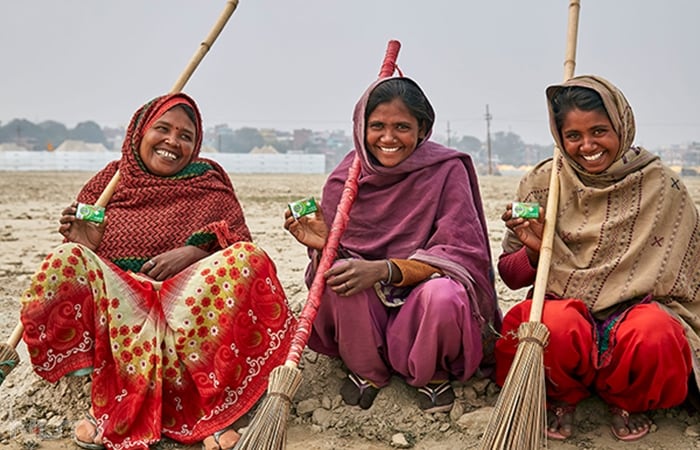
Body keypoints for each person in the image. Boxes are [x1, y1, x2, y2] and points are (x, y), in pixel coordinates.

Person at [19, 93, 297, 450]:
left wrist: (193, 252)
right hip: (123, 310)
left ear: (196, 146)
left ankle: (215, 412)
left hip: (193, 311)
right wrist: (86, 245)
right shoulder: (109, 184)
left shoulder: (208, 184)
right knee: (67, 258)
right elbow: (89, 274)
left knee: (248, 257)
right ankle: (109, 406)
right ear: (138, 133)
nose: (172, 142)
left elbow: (235, 244)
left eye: (186, 136)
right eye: (162, 129)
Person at [495, 74, 700, 442]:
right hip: (567, 322)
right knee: (546, 326)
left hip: (636, 315)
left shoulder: (662, 185)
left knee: (656, 335)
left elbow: (687, 282)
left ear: (622, 125)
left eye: (599, 132)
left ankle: (627, 398)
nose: (587, 145)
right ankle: (562, 397)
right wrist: (534, 247)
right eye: (573, 136)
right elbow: (510, 276)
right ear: (560, 137)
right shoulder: (546, 181)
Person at [284, 76, 500, 413]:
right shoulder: (345, 180)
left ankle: (430, 372)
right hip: (366, 312)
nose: (388, 138)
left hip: (422, 304)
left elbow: (458, 253)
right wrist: (325, 244)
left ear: (422, 128)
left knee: (444, 294)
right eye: (377, 126)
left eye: (401, 126)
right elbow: (340, 260)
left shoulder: (446, 170)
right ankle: (367, 370)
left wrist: (385, 270)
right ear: (361, 128)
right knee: (337, 274)